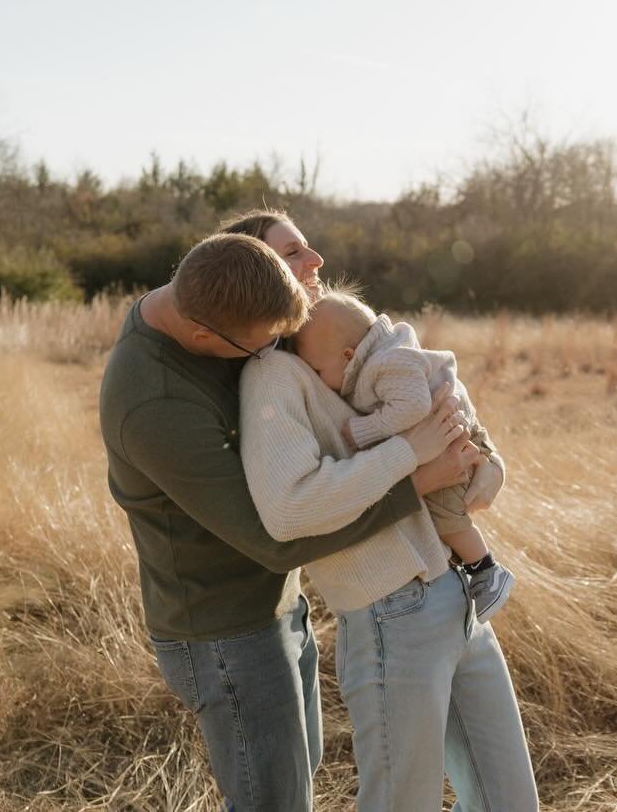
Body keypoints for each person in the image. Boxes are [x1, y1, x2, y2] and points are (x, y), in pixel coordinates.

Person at [99, 231, 477, 812]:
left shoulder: (207, 289)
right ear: (204, 334)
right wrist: (414, 480)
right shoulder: (155, 405)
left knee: (297, 783)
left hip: (277, 608)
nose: (268, 359)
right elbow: (275, 540)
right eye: (258, 348)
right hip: (225, 634)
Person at [228, 209, 539, 812]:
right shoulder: (274, 378)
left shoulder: (358, 343)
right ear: (257, 273)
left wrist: (486, 464)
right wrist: (410, 457)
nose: (314, 261)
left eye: (309, 248)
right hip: (391, 613)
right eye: (293, 254)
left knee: (510, 801)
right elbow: (291, 509)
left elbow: (441, 396)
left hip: (459, 598)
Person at [292, 287, 516, 623]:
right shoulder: (379, 358)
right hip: (448, 441)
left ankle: (486, 569)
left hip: (452, 444)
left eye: (319, 371)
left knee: (445, 514)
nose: (322, 382)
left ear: (348, 355)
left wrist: (364, 430)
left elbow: (414, 406)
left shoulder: (386, 363)